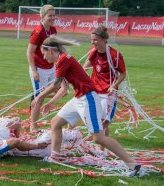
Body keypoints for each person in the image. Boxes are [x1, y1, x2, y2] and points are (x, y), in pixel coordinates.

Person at [31, 35, 144, 177]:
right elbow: (64, 88)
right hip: (78, 98)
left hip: (88, 98)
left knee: (98, 137)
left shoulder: (63, 59)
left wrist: (40, 96)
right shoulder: (62, 60)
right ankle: (55, 156)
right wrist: (50, 103)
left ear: (51, 51)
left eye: (44, 54)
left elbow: (56, 84)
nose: (44, 58)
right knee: (56, 123)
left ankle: (133, 165)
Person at [83, 25, 126, 151]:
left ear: (103, 40)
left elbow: (122, 73)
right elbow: (85, 67)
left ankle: (102, 150)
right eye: (91, 40)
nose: (92, 42)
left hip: (108, 93)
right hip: (95, 91)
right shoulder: (93, 52)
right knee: (93, 119)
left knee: (104, 123)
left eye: (95, 40)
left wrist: (113, 86)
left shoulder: (115, 55)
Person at [26, 4, 58, 132]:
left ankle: (36, 95)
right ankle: (33, 126)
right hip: (39, 69)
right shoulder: (38, 32)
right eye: (50, 15)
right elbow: (29, 52)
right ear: (42, 16)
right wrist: (34, 71)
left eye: (54, 15)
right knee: (40, 98)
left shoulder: (53, 30)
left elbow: (55, 49)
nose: (52, 18)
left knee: (62, 91)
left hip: (51, 67)